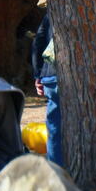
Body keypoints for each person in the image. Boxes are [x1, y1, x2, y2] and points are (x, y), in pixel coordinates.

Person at [31, 12, 62, 166]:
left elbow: (38, 41)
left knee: (55, 127)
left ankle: (57, 169)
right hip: (81, 75)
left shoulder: (53, 10)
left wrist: (38, 74)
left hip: (51, 74)